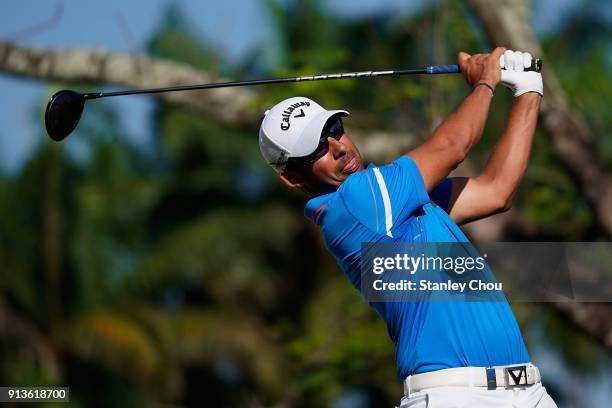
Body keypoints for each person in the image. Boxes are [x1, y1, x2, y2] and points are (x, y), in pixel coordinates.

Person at [258, 48, 557, 407]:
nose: (338, 147)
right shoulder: (357, 202)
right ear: (292, 177)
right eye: (317, 149)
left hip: (528, 391)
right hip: (456, 396)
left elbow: (496, 191)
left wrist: (527, 90)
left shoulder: (400, 203)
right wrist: (485, 81)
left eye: (334, 129)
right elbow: (452, 146)